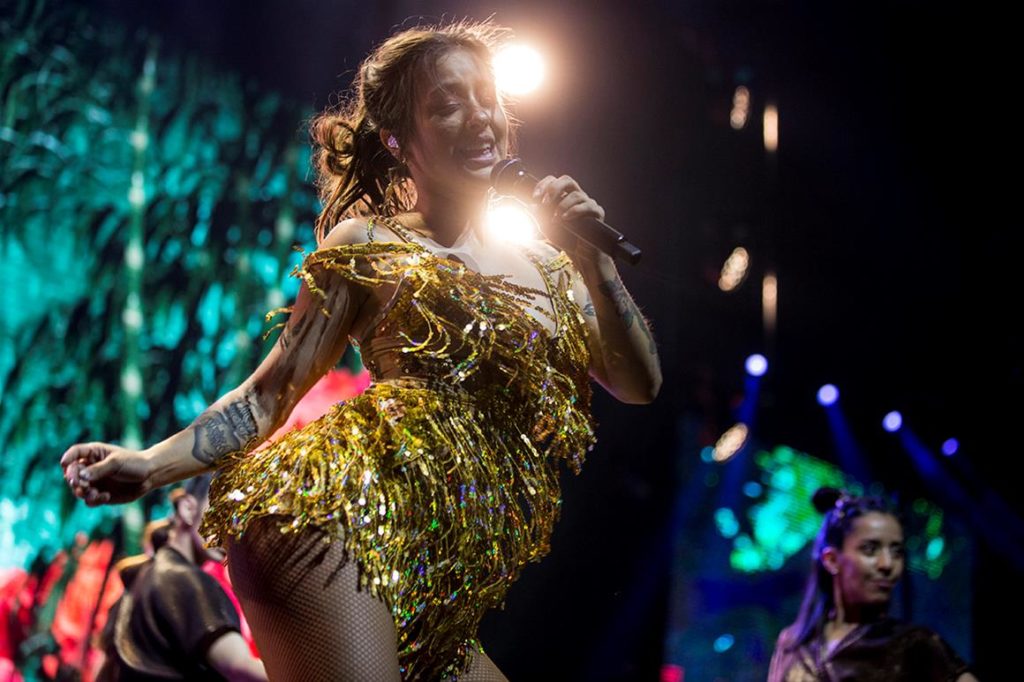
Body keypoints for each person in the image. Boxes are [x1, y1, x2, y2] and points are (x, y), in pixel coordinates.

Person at [62, 18, 661, 681]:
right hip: (331, 521)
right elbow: (267, 396)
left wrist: (598, 266)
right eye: (447, 104)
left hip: (434, 574)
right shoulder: (368, 244)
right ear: (397, 139)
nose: (479, 117)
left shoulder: (553, 266)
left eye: (487, 98)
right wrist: (148, 465)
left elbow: (639, 384)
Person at [767, 487, 979, 681]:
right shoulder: (792, 644)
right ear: (831, 560)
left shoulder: (914, 645)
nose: (887, 564)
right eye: (870, 549)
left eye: (896, 552)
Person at [95, 489, 267, 681]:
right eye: (224, 510)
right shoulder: (186, 580)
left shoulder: (145, 576)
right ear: (187, 508)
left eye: (239, 518)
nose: (232, 528)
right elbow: (238, 667)